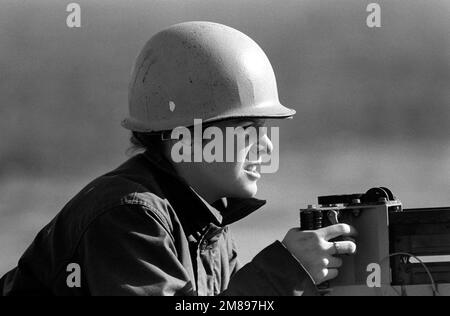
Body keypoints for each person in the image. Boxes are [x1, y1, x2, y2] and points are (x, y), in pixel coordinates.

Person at [0, 21, 356, 296]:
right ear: (185, 136)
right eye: (249, 129)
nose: (266, 147)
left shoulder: (207, 227)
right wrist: (286, 271)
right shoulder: (128, 216)